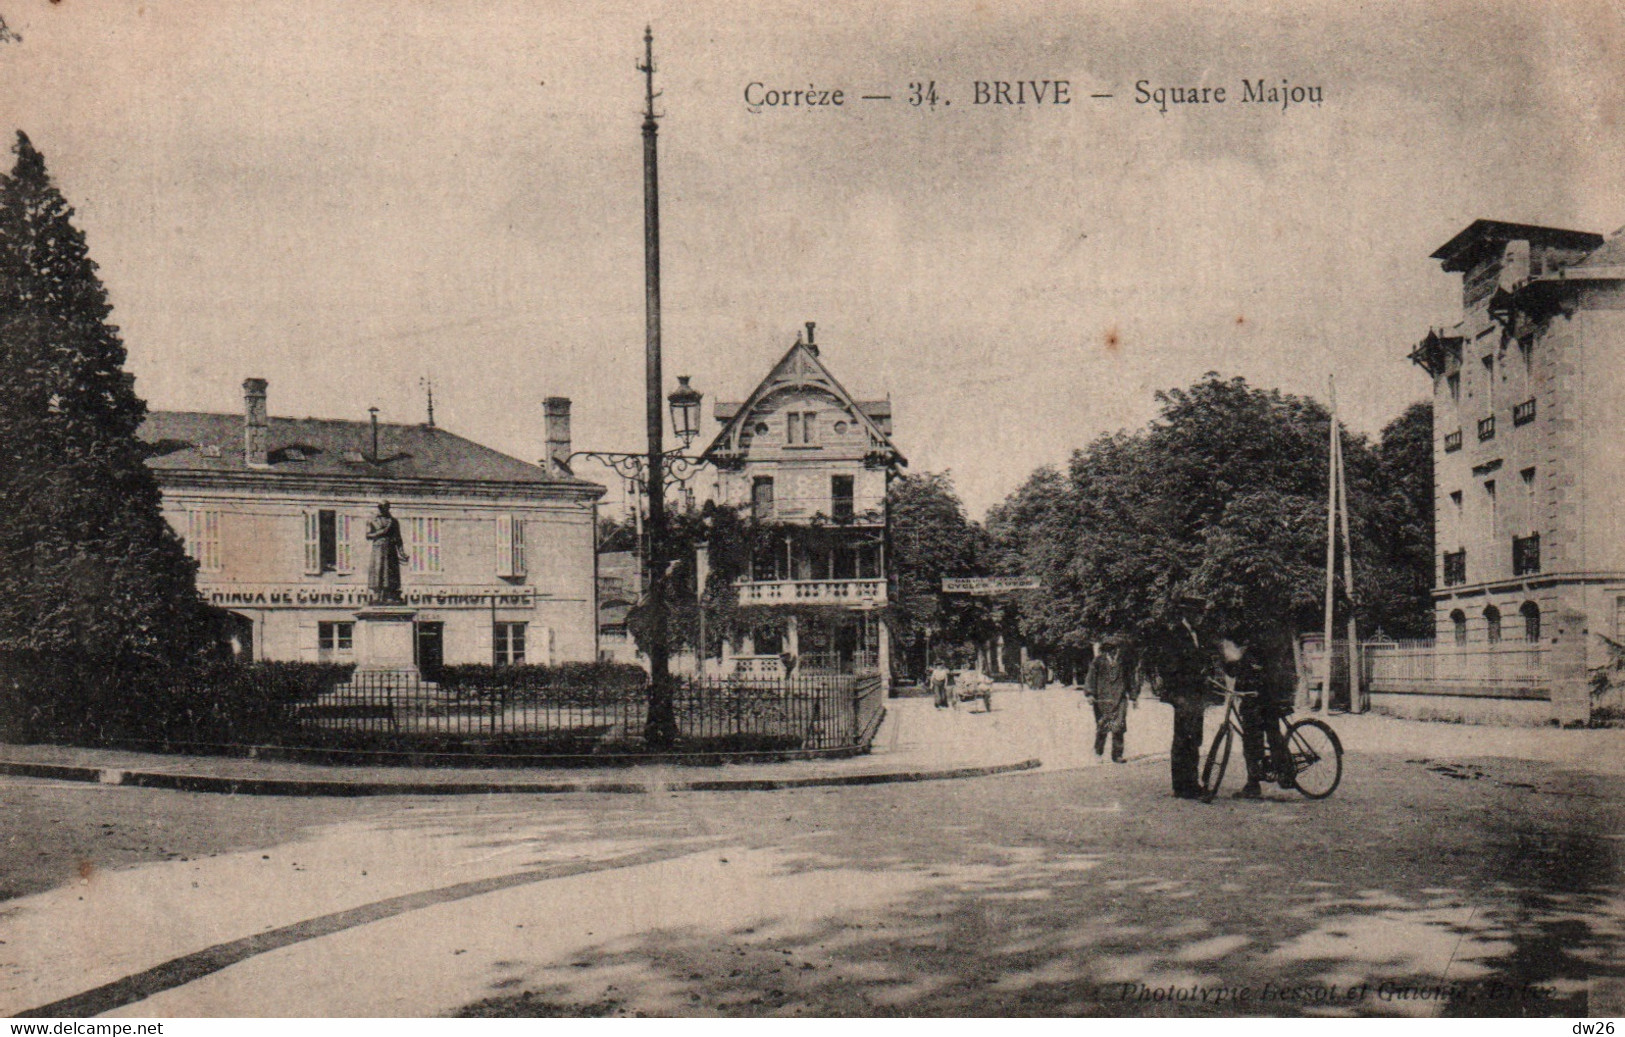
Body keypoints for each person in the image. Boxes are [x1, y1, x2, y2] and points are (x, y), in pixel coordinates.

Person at [1223, 632, 1296, 799]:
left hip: (1257, 698)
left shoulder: (1252, 648)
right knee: (1271, 735)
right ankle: (1283, 774)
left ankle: (1254, 783)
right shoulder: (1261, 641)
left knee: (1252, 740)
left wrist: (1232, 660)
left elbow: (1239, 670)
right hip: (1266, 696)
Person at [1154, 616, 1213, 800]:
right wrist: (1178, 692)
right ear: (1188, 613)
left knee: (1194, 737)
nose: (1201, 617)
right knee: (1183, 739)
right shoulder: (1175, 635)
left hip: (1195, 694)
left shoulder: (1198, 634)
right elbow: (1167, 667)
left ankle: (1192, 783)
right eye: (1198, 612)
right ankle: (1181, 786)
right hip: (1182, 694)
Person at [1083, 637, 1136, 762]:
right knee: (1103, 726)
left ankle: (1117, 755)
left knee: (1119, 726)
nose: (1115, 652)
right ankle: (1098, 752)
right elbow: (1091, 678)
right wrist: (1090, 694)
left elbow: (1130, 679)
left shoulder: (1124, 662)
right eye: (1111, 649)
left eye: (1116, 649)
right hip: (1102, 699)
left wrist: (1133, 697)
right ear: (1106, 650)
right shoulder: (1098, 662)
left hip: (1120, 698)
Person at [365, 501, 408, 604]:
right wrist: (380, 533)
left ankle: (390, 595)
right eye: (383, 507)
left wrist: (402, 552)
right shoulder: (372, 520)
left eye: (387, 507)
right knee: (378, 570)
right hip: (378, 548)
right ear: (380, 508)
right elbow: (368, 535)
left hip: (390, 548)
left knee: (390, 572)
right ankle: (377, 594)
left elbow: (398, 538)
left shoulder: (393, 521)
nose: (386, 509)